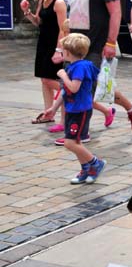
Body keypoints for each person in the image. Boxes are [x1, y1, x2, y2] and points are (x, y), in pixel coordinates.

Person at [65, 0, 132, 133]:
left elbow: (116, 13)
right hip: (75, 48)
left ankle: (80, 133)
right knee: (98, 86)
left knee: (85, 90)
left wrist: (110, 42)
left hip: (96, 47)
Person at [40, 33, 107, 184]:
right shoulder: (74, 66)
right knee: (76, 143)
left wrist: (63, 75)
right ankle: (85, 169)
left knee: (70, 143)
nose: (62, 53)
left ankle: (96, 163)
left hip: (80, 110)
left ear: (68, 52)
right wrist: (53, 108)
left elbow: (73, 88)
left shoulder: (79, 68)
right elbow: (65, 91)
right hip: (72, 109)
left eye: (63, 50)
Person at [20, 0, 67, 124]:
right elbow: (39, 22)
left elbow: (63, 29)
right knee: (43, 78)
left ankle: (68, 90)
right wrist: (27, 12)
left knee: (49, 79)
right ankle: (49, 113)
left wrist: (59, 50)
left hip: (55, 44)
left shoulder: (58, 2)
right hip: (43, 43)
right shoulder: (43, 0)